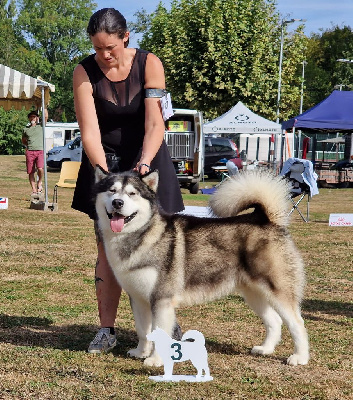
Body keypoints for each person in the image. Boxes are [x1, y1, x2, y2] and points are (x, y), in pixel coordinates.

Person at [71, 8, 184, 354]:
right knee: (109, 249)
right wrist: (107, 178)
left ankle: (167, 326)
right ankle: (107, 330)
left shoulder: (150, 64)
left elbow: (155, 124)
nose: (104, 56)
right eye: (97, 48)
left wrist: (143, 167)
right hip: (105, 162)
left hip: (147, 160)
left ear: (126, 38)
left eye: (110, 48)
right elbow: (89, 132)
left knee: (159, 248)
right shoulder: (83, 72)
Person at [22, 111, 44, 195]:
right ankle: (34, 190)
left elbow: (45, 117)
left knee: (40, 168)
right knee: (31, 171)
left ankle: (40, 182)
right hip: (30, 151)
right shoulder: (26, 129)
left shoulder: (41, 126)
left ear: (37, 118)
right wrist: (28, 146)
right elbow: (23, 140)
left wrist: (44, 106)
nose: (32, 118)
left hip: (40, 151)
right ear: (29, 118)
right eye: (31, 117)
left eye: (34, 117)